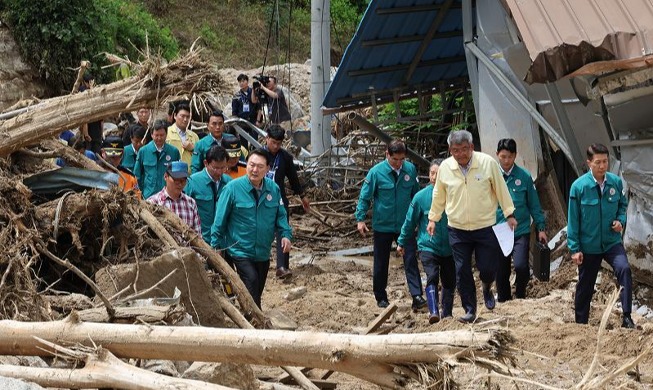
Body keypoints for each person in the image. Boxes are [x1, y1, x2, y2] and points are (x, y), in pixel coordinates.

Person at [427, 130, 516, 323]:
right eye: (455, 150)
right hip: (457, 228)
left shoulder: (487, 163)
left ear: (472, 148)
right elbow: (438, 194)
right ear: (450, 150)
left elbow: (501, 188)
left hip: (484, 225)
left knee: (487, 267)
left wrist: (509, 213)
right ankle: (469, 309)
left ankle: (486, 286)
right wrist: (433, 218)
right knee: (462, 270)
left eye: (464, 149)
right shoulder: (445, 168)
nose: (460, 154)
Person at [211, 149, 293, 308]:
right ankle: (254, 323)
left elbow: (281, 215)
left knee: (256, 290)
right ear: (246, 165)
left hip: (262, 251)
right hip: (240, 250)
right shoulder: (232, 188)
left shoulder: (273, 189)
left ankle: (251, 315)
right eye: (251, 165)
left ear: (268, 168)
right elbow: (219, 220)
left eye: (260, 166)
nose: (255, 170)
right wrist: (216, 247)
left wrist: (285, 235)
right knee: (252, 281)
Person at [568, 143, 634, 329]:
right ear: (589, 163)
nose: (602, 166)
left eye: (605, 161)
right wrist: (575, 248)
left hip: (611, 242)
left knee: (625, 270)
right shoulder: (578, 187)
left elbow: (622, 205)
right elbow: (573, 220)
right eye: (598, 162)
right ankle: (581, 323)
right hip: (589, 246)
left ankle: (627, 316)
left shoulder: (615, 182)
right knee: (585, 285)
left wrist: (620, 220)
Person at [355, 140, 425, 310]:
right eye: (395, 159)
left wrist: (420, 220)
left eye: (402, 159)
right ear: (387, 154)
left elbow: (416, 197)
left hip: (405, 225)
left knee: (410, 260)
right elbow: (365, 197)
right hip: (383, 225)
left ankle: (417, 296)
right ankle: (381, 297)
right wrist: (360, 219)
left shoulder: (410, 170)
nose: (399, 163)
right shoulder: (376, 173)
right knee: (381, 261)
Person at [397, 160, 455, 323]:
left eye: (439, 173)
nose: (435, 177)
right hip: (427, 245)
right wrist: (401, 241)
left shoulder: (453, 195)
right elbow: (410, 221)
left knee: (449, 279)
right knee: (432, 275)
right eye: (432, 173)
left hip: (450, 246)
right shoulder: (420, 197)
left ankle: (447, 313)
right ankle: (434, 311)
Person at [495, 138, 547, 301]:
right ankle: (504, 299)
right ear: (497, 155)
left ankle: (520, 293)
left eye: (509, 157)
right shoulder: (492, 176)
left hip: (520, 229)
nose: (506, 161)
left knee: (521, 266)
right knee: (501, 269)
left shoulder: (524, 176)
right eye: (503, 157)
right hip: (499, 230)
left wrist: (541, 228)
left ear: (515, 156)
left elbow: (534, 204)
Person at [264, 124, 310, 279]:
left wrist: (302, 196)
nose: (275, 146)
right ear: (267, 139)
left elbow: (293, 178)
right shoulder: (258, 156)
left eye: (279, 143)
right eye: (273, 142)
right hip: (259, 199)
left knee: (283, 230)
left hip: (279, 200)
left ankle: (282, 266)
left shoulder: (285, 157)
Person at [185, 145, 232, 244]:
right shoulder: (193, 182)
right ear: (206, 163)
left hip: (223, 242)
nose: (219, 172)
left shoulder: (229, 183)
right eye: (215, 168)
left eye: (223, 167)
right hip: (200, 241)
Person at [147, 161, 202, 236]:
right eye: (176, 179)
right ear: (166, 176)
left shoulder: (191, 203)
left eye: (183, 180)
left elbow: (198, 236)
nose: (180, 183)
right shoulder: (153, 202)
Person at [133, 119, 181, 199]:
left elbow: (178, 176)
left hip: (168, 197)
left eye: (162, 135)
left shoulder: (174, 152)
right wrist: (139, 194)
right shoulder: (143, 151)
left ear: (166, 134)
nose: (159, 138)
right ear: (152, 135)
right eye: (156, 135)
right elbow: (137, 176)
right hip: (148, 196)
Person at [166, 104, 199, 172]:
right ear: (175, 116)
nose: (185, 119)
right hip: (171, 174)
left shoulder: (194, 136)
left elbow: (200, 155)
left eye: (188, 117)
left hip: (190, 175)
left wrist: (193, 148)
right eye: (182, 116)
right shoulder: (167, 133)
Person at [232, 74, 260, 149]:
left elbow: (259, 108)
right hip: (242, 121)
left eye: (243, 81)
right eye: (240, 82)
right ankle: (245, 158)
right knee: (243, 143)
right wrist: (236, 123)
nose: (241, 83)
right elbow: (234, 111)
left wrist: (258, 120)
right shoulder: (237, 95)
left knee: (254, 141)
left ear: (247, 82)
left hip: (253, 120)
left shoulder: (253, 92)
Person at [78, 73, 103, 154]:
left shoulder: (96, 89)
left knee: (97, 149)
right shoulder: (82, 90)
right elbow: (85, 113)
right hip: (88, 125)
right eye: (89, 82)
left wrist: (102, 132)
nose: (91, 83)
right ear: (85, 82)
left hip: (97, 122)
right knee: (89, 149)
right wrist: (85, 132)